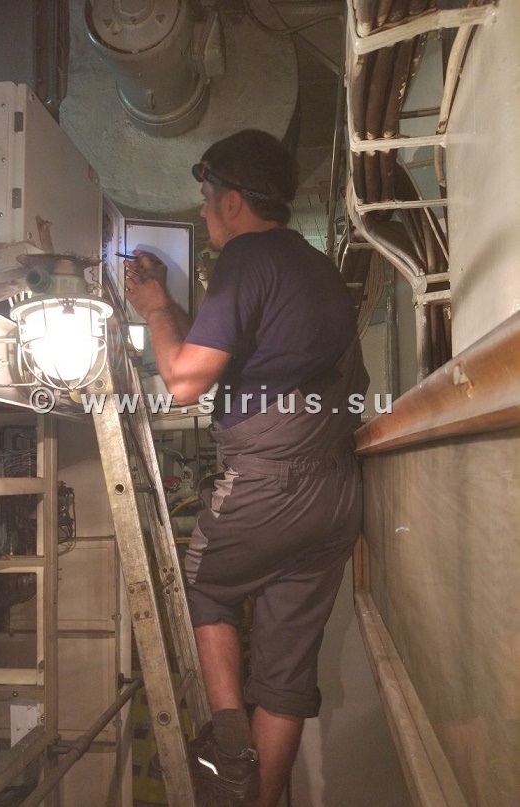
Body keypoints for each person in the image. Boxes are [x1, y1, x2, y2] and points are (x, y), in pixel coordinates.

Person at [124, 129, 369, 807]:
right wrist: (169, 305)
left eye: (207, 200)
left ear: (232, 201)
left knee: (205, 588)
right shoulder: (312, 265)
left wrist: (152, 310)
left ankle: (229, 748)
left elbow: (184, 382)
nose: (205, 213)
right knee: (285, 680)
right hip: (334, 491)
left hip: (269, 478)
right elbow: (224, 352)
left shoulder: (246, 255)